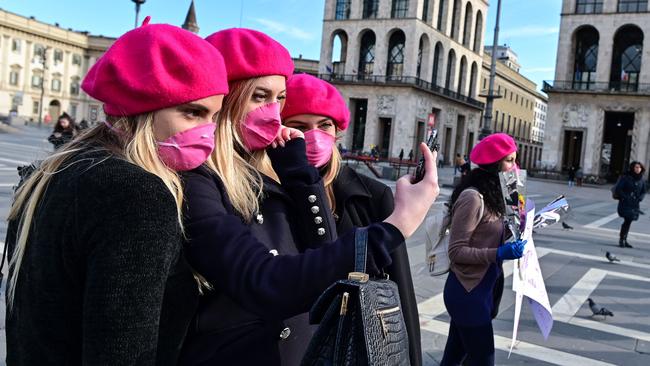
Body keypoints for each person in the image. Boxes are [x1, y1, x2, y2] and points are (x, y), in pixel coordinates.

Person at [178, 28, 439, 366]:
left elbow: (323, 248)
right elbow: (265, 282)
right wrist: (397, 225)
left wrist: (301, 175)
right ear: (225, 98)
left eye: (279, 98)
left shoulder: (275, 170)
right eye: (260, 96)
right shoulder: (199, 178)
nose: (272, 112)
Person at [4, 19, 230, 365]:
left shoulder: (57, 170)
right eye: (192, 113)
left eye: (214, 117)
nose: (207, 133)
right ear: (142, 107)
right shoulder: (137, 194)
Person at [281, 73, 422, 366]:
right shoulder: (266, 192)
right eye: (299, 126)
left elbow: (401, 296)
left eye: (324, 125)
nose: (314, 136)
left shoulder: (373, 196)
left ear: (337, 131)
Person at [441, 133, 527, 365]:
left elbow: (497, 235)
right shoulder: (472, 197)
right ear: (494, 162)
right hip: (466, 291)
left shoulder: (499, 194)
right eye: (509, 160)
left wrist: (522, 225)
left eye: (514, 159)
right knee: (483, 359)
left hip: (485, 290)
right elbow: (456, 251)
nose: (515, 166)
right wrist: (498, 254)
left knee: (454, 358)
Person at [615, 161, 646, 248]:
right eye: (636, 167)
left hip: (634, 204)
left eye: (639, 167)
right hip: (625, 203)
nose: (638, 169)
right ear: (632, 168)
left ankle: (624, 239)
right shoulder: (626, 178)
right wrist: (625, 197)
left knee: (628, 221)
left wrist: (640, 198)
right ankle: (622, 239)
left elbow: (644, 191)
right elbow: (618, 189)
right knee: (627, 220)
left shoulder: (642, 180)